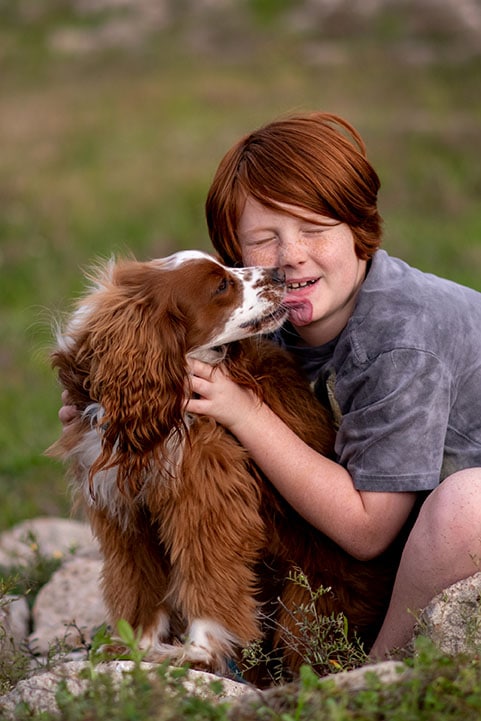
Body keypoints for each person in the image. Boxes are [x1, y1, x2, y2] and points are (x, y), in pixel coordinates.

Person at [60, 112, 481, 658]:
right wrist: (102, 406)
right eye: (263, 239)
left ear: (359, 229)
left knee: (466, 507)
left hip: (432, 524)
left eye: (314, 229)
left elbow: (367, 530)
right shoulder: (277, 322)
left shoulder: (404, 336)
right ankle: (228, 643)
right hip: (397, 544)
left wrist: (247, 414)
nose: (289, 258)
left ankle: (376, 677)